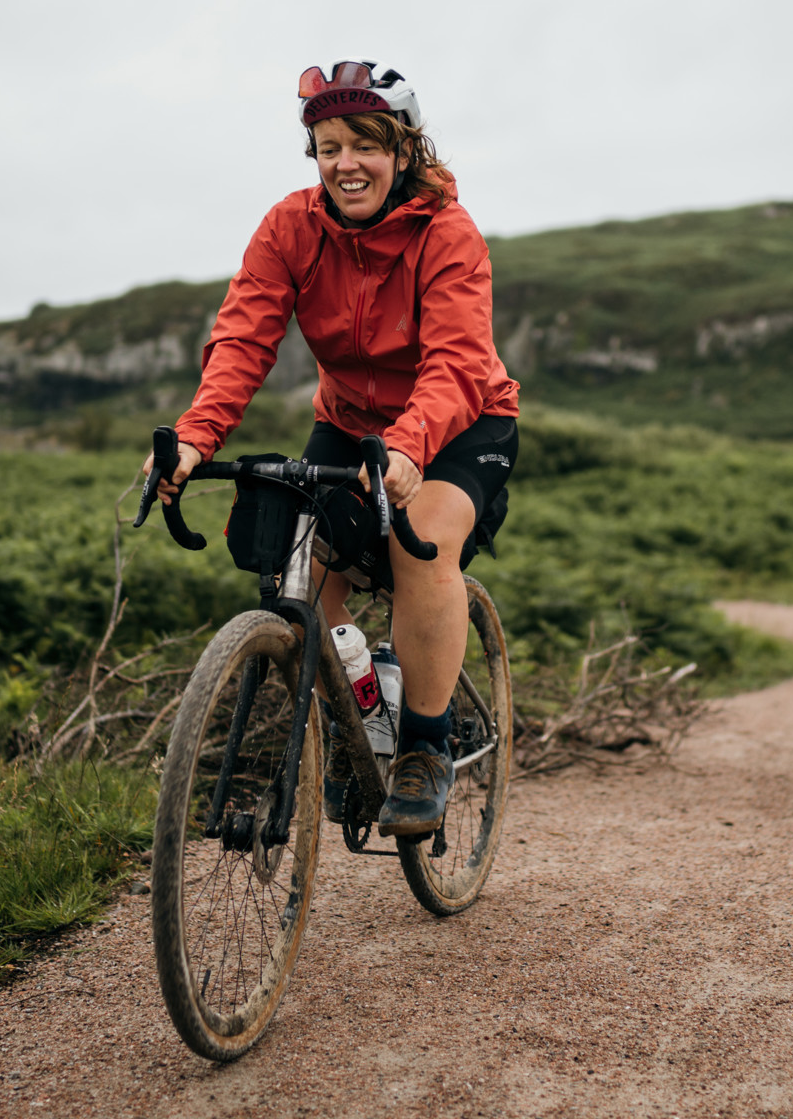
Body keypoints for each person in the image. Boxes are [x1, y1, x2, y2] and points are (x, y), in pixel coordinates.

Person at [145, 59, 520, 837]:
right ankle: (353, 735)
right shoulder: (291, 226)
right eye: (326, 147)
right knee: (300, 570)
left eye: (365, 144)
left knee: (421, 549)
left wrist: (412, 447)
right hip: (351, 424)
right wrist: (193, 438)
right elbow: (243, 340)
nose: (345, 163)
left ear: (404, 150)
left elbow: (456, 363)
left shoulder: (447, 234)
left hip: (458, 425)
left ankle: (423, 747)